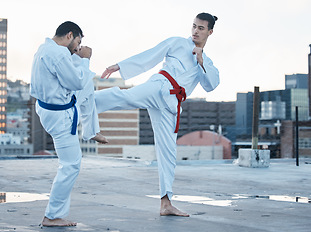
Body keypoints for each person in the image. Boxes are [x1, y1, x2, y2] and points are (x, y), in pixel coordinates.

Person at [95, 12, 220, 217]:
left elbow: (211, 85)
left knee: (168, 153)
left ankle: (166, 203)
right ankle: (85, 102)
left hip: (171, 105)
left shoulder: (207, 62)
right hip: (159, 87)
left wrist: (201, 60)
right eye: (194, 26)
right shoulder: (178, 43)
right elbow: (151, 55)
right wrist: (120, 65)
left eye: (201, 28)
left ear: (210, 32)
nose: (196, 31)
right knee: (126, 98)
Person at [30, 21, 108, 227]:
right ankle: (52, 216)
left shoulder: (45, 48)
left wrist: (76, 56)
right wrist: (85, 60)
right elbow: (75, 82)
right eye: (77, 42)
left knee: (88, 87)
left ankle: (91, 131)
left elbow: (73, 80)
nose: (77, 47)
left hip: (47, 106)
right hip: (59, 116)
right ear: (70, 35)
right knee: (71, 165)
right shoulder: (58, 54)